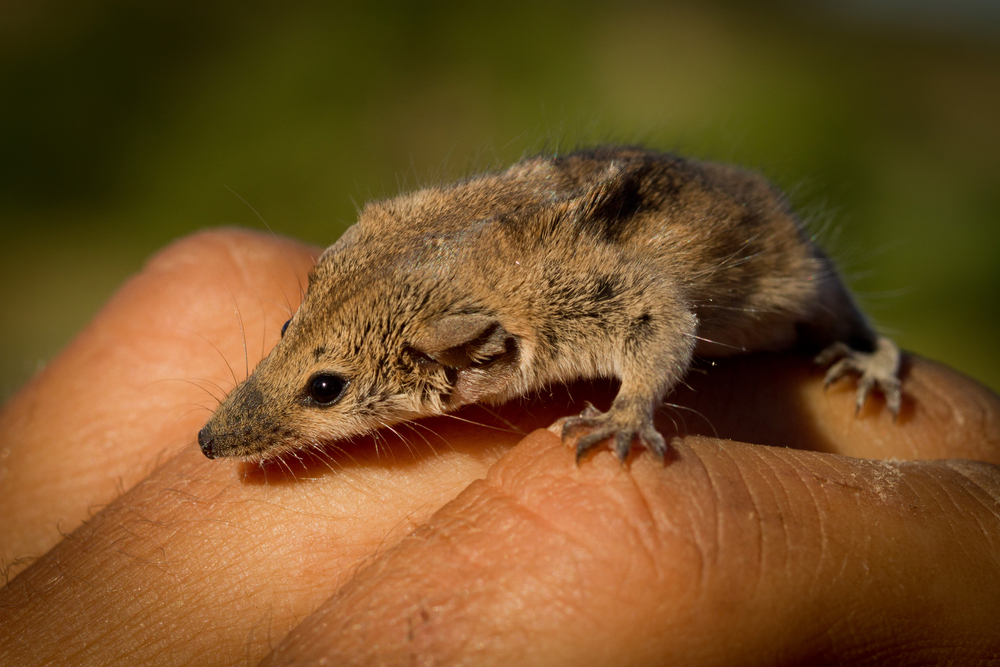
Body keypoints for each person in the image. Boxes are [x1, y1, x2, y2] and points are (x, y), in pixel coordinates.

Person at [1, 229, 997, 666]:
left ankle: (865, 343)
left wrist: (635, 407)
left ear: (462, 364)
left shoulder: (536, 324)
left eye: (326, 395)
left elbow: (654, 310)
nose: (228, 436)